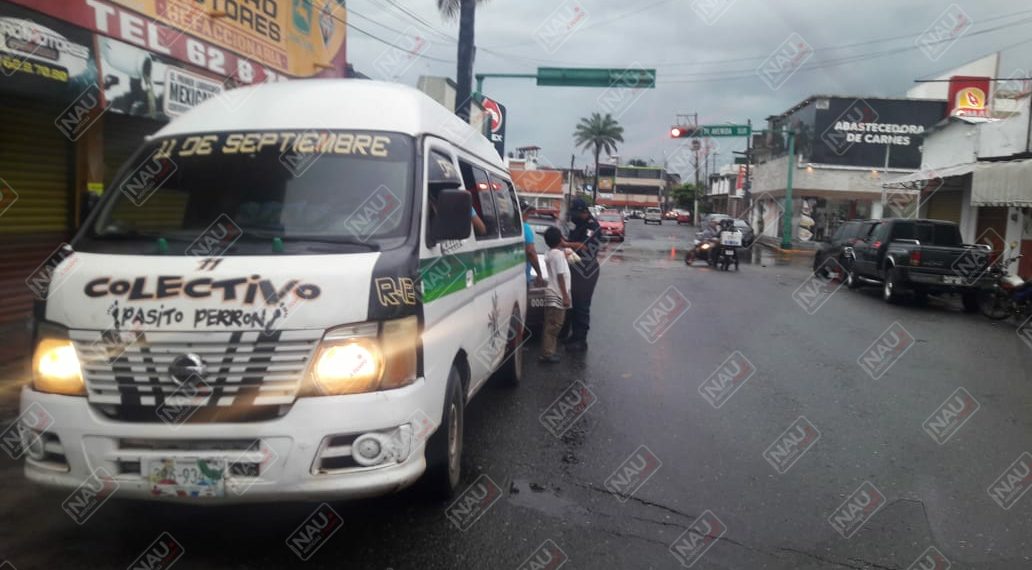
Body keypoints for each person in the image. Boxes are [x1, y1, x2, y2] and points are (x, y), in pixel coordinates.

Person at [559, 198, 602, 352]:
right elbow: (571, 239)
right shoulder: (578, 223)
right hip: (574, 264)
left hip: (586, 268)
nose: (574, 216)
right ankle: (575, 335)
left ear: (584, 211)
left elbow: (583, 246)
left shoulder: (592, 226)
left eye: (577, 213)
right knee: (574, 304)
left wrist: (566, 244)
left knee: (582, 305)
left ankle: (581, 340)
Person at [539, 226, 571, 363]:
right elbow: (560, 276)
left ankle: (548, 351)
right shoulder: (557, 255)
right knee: (554, 326)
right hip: (557, 294)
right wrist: (565, 296)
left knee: (551, 324)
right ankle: (547, 353)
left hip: (552, 293)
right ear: (560, 239)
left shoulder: (552, 253)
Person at [521, 200, 546, 286]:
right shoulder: (524, 227)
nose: (528, 216)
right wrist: (539, 274)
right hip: (523, 278)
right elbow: (531, 252)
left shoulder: (509, 227)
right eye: (527, 212)